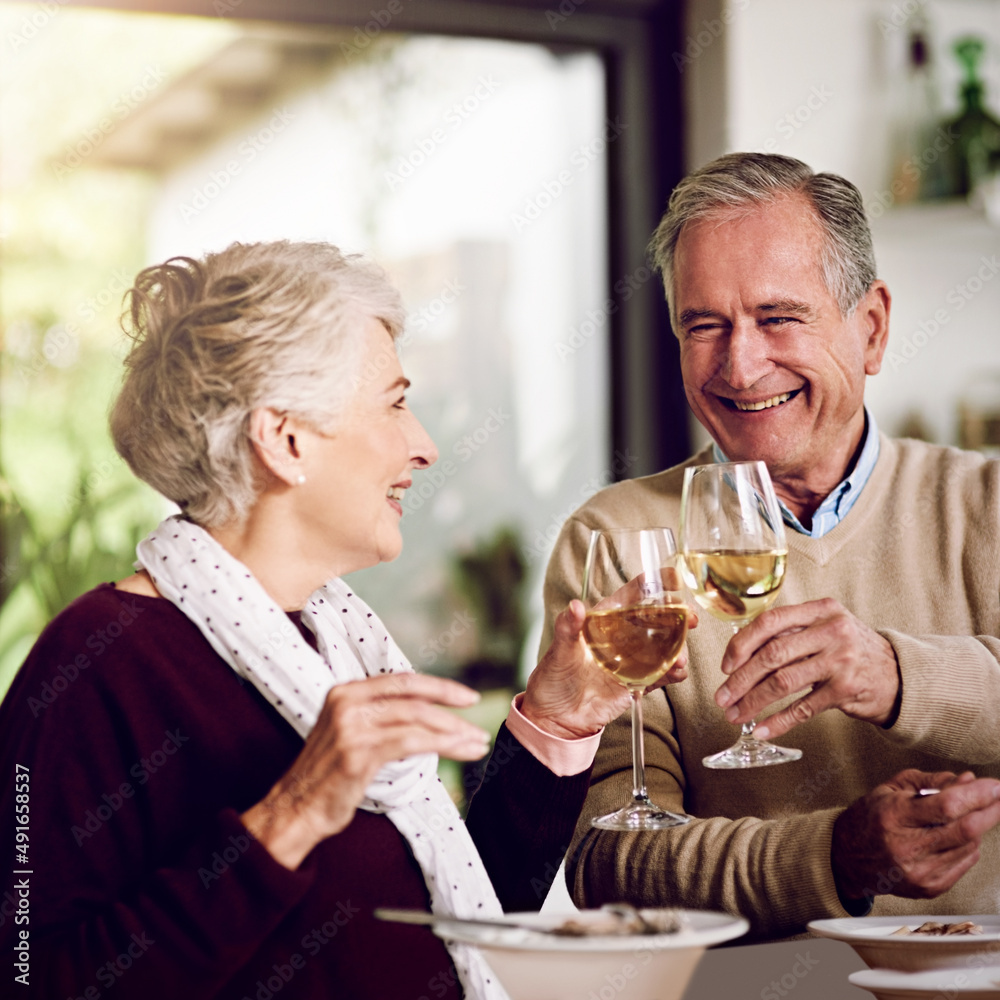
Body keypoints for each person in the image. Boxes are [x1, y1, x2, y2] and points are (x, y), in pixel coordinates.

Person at [0, 240, 688, 999]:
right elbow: (31, 979)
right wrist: (292, 812)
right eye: (395, 402)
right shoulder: (95, 665)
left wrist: (563, 714)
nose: (423, 445)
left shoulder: (335, 638)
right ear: (286, 440)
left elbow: (454, 919)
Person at [542, 152, 1000, 942]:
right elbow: (605, 856)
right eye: (704, 325)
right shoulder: (617, 541)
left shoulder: (986, 507)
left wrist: (894, 675)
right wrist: (832, 859)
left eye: (778, 317)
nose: (741, 365)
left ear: (872, 328)